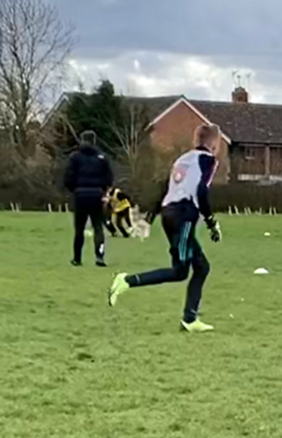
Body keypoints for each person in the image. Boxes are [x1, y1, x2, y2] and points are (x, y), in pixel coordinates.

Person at [107, 123, 223, 332]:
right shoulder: (208, 161)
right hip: (184, 216)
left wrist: (150, 217)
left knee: (201, 267)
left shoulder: (182, 160)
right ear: (214, 143)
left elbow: (165, 188)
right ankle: (126, 281)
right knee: (180, 271)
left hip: (169, 214)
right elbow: (201, 192)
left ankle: (189, 319)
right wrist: (211, 221)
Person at [64, 131, 114, 267]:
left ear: (81, 140)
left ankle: (77, 258)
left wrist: (75, 189)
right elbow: (109, 178)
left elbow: (68, 178)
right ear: (94, 140)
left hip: (80, 194)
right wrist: (104, 192)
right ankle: (100, 257)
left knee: (79, 228)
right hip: (97, 194)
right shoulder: (102, 157)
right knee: (98, 227)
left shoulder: (75, 157)